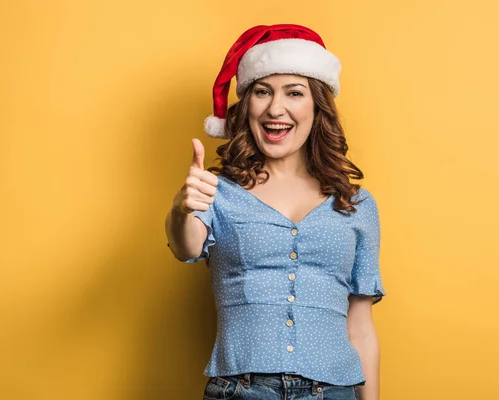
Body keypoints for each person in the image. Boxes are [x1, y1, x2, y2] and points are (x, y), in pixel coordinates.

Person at [165, 24, 385, 400]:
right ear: (247, 104)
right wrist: (182, 208)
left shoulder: (357, 205)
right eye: (262, 92)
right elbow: (186, 247)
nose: (275, 108)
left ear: (318, 107)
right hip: (242, 391)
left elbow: (361, 327)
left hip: (334, 391)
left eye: (294, 93)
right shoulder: (217, 192)